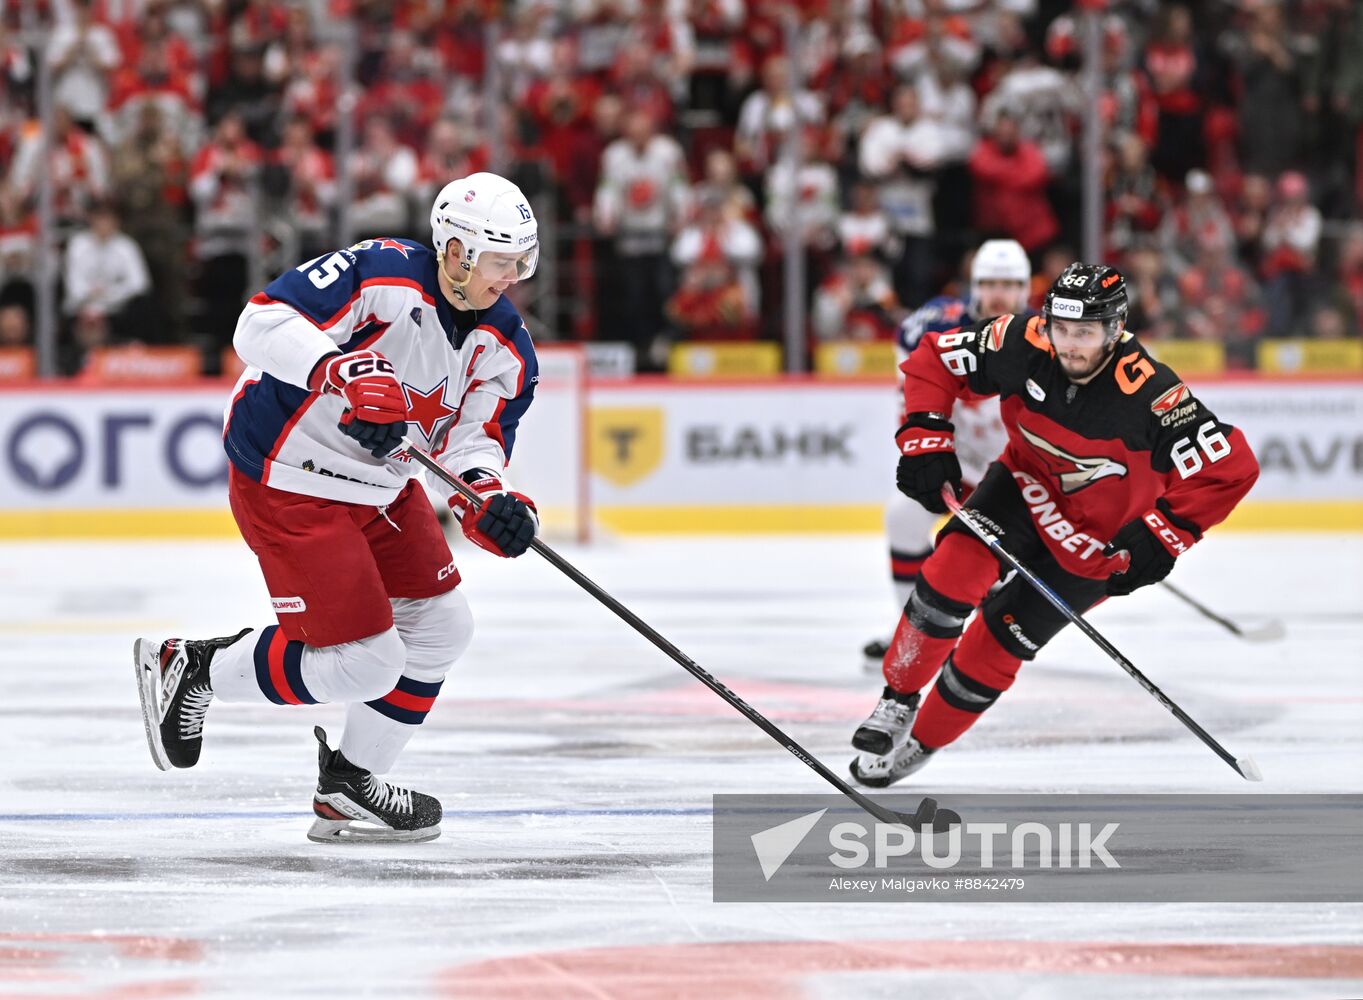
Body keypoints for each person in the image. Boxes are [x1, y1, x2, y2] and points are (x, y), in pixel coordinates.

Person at [133, 172, 543, 843]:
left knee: (443, 630)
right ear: (459, 252)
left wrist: (488, 501)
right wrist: (341, 371)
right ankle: (192, 666)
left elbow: (476, 442)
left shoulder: (505, 349)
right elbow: (260, 321)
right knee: (367, 662)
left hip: (380, 488)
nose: (513, 276)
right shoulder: (381, 272)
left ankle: (348, 786)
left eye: (520, 261)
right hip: (289, 475)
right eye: (502, 261)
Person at [850, 262, 1259, 787]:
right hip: (1024, 489)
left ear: (1115, 329)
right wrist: (925, 435)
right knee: (950, 573)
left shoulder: (1151, 395)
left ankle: (926, 741)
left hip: (1098, 546)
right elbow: (934, 358)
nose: (1069, 345)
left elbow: (1231, 466)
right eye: (1062, 329)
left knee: (995, 645)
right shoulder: (1022, 338)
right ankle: (897, 699)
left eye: (1084, 333)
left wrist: (1165, 531)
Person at [861, 239, 1031, 671]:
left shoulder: (1042, 339)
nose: (998, 293)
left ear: (1025, 290)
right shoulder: (933, 325)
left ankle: (984, 639)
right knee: (902, 518)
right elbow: (913, 392)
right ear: (972, 286)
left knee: (1001, 570)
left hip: (1016, 472)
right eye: (989, 282)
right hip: (956, 461)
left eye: (1009, 284)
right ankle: (909, 627)